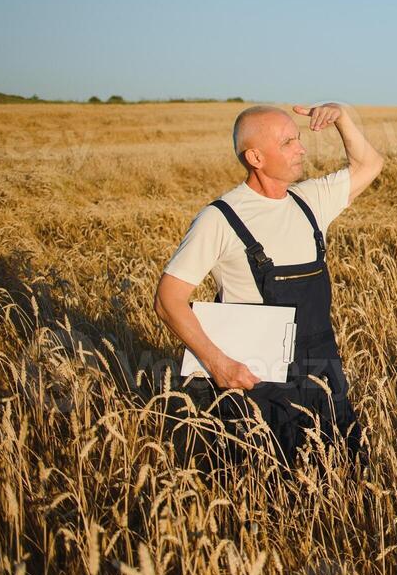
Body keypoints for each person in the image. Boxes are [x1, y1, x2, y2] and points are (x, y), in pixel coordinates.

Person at [154, 101, 383, 475]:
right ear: (256, 157)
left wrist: (342, 117)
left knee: (343, 471)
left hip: (322, 367)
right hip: (257, 379)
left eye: (297, 139)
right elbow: (168, 300)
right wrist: (219, 365)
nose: (302, 148)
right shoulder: (221, 218)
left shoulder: (310, 201)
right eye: (289, 142)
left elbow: (369, 165)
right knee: (267, 481)